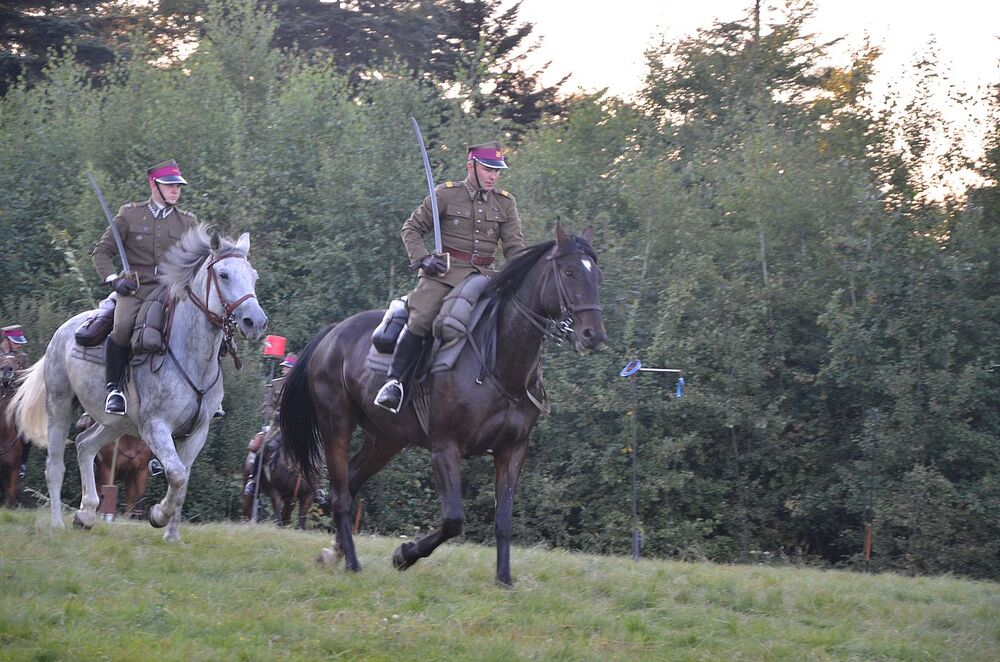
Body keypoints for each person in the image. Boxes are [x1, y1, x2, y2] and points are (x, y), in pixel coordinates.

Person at [374, 141, 526, 413]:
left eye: (497, 171)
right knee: (422, 318)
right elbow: (411, 228)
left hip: (487, 278)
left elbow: (514, 248)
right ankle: (394, 383)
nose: (494, 175)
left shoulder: (505, 202)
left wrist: (522, 276)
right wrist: (422, 258)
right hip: (445, 274)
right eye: (488, 169)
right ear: (472, 166)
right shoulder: (446, 195)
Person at [91, 160, 198, 415]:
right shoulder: (129, 214)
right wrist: (114, 280)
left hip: (172, 290)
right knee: (122, 327)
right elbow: (101, 252)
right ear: (154, 185)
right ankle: (114, 389)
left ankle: (207, 393)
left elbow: (198, 261)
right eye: (169, 185)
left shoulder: (188, 222)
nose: (176, 190)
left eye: (178, 186)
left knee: (202, 325)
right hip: (135, 290)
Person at [243, 352, 297, 498]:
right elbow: (266, 408)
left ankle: (316, 487)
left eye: (287, 368)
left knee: (315, 450)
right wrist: (278, 415)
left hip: (296, 427)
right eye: (284, 367)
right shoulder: (275, 384)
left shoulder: (301, 387)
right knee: (264, 448)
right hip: (278, 426)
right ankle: (253, 481)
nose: (284, 370)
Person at [1, 325, 31, 478]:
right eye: (15, 341)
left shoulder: (22, 357)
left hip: (14, 399)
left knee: (27, 430)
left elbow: (26, 379)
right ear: (6, 340)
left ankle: (22, 464)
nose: (20, 345)